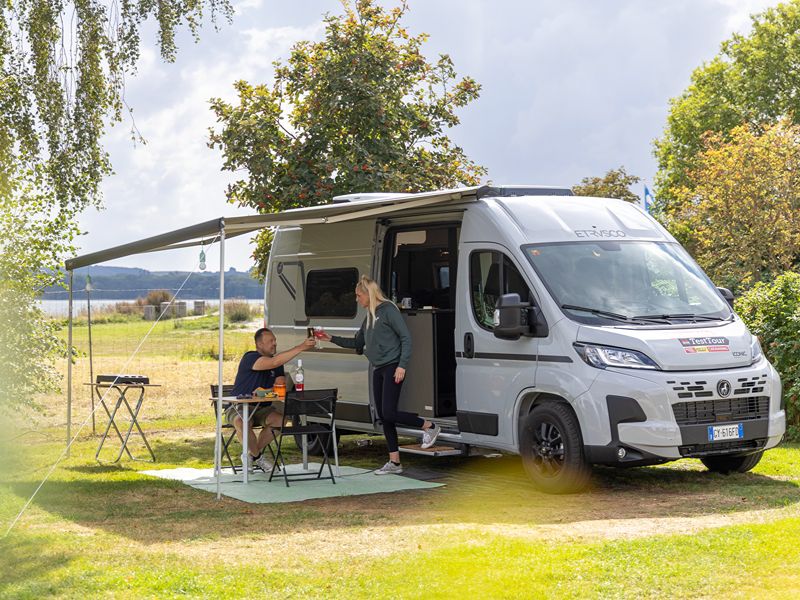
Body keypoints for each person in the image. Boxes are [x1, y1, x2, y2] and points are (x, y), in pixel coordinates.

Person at [320, 275, 441, 475]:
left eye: (358, 295)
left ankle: (429, 426)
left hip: (393, 366)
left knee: (389, 412)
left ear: (368, 294)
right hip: (378, 368)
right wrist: (330, 338)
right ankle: (395, 462)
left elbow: (406, 338)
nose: (357, 299)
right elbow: (356, 343)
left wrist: (402, 366)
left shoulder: (388, 310)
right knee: (384, 417)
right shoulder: (368, 316)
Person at [226, 327, 315, 472]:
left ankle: (251, 455)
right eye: (270, 341)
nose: (274, 343)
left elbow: (280, 388)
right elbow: (273, 363)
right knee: (242, 421)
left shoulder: (277, 364)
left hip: (262, 409)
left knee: (280, 420)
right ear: (259, 344)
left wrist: (265, 392)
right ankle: (258, 457)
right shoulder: (250, 357)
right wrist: (301, 347)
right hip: (238, 407)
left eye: (275, 340)